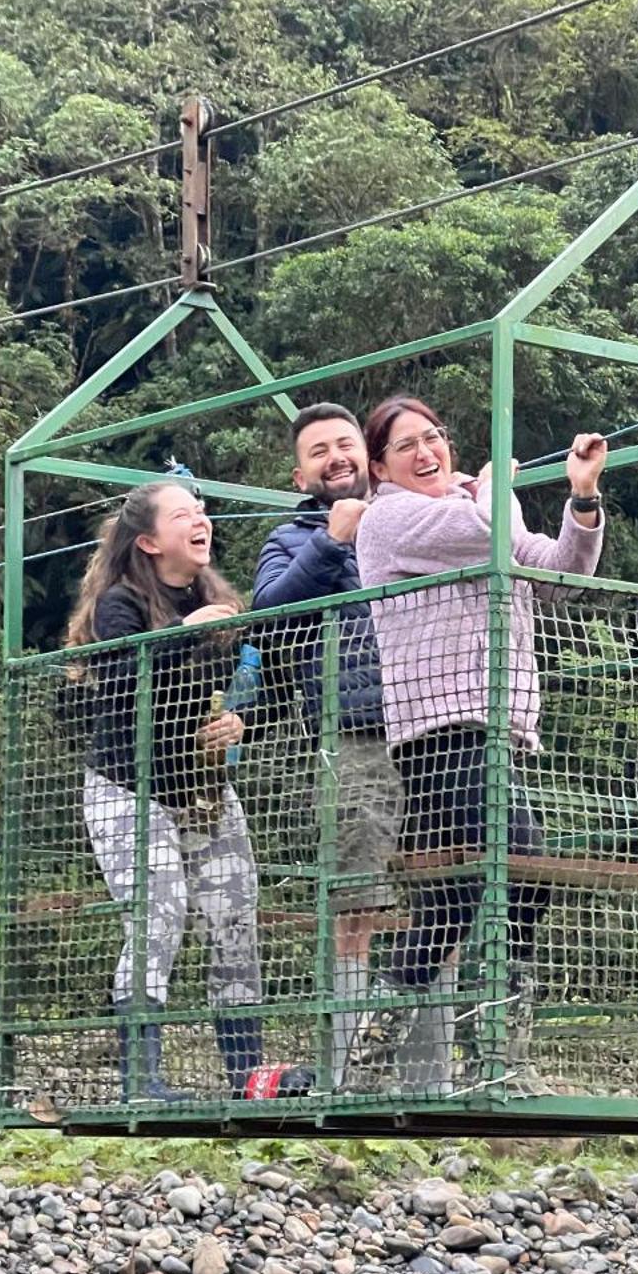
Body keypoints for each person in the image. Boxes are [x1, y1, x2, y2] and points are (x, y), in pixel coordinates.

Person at [346, 394, 608, 1092]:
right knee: (523, 861)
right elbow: (488, 528)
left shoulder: (477, 505)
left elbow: (558, 572)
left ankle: (373, 1064)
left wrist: (581, 500)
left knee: (450, 905)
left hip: (499, 727)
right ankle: (496, 1057)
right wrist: (496, 488)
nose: (429, 452)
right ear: (380, 468)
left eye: (435, 436)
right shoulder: (392, 518)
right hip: (443, 729)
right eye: (408, 446)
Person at [252, 403, 456, 1090]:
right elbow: (270, 618)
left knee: (443, 891)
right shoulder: (292, 536)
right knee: (357, 897)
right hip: (357, 732)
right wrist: (331, 542)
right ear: (300, 472)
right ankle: (349, 1073)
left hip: (435, 725)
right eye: (319, 451)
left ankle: (434, 1077)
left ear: (369, 458)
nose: (334, 457)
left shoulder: (414, 513)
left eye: (344, 444)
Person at [66, 479, 264, 1102]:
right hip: (126, 787)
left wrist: (242, 720)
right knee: (160, 912)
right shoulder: (119, 604)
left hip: (203, 787)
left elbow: (261, 685)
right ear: (149, 541)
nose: (200, 520)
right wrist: (186, 629)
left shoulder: (221, 602)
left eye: (201, 511)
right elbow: (123, 683)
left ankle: (246, 1076)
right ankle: (141, 1079)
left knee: (236, 917)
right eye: (184, 514)